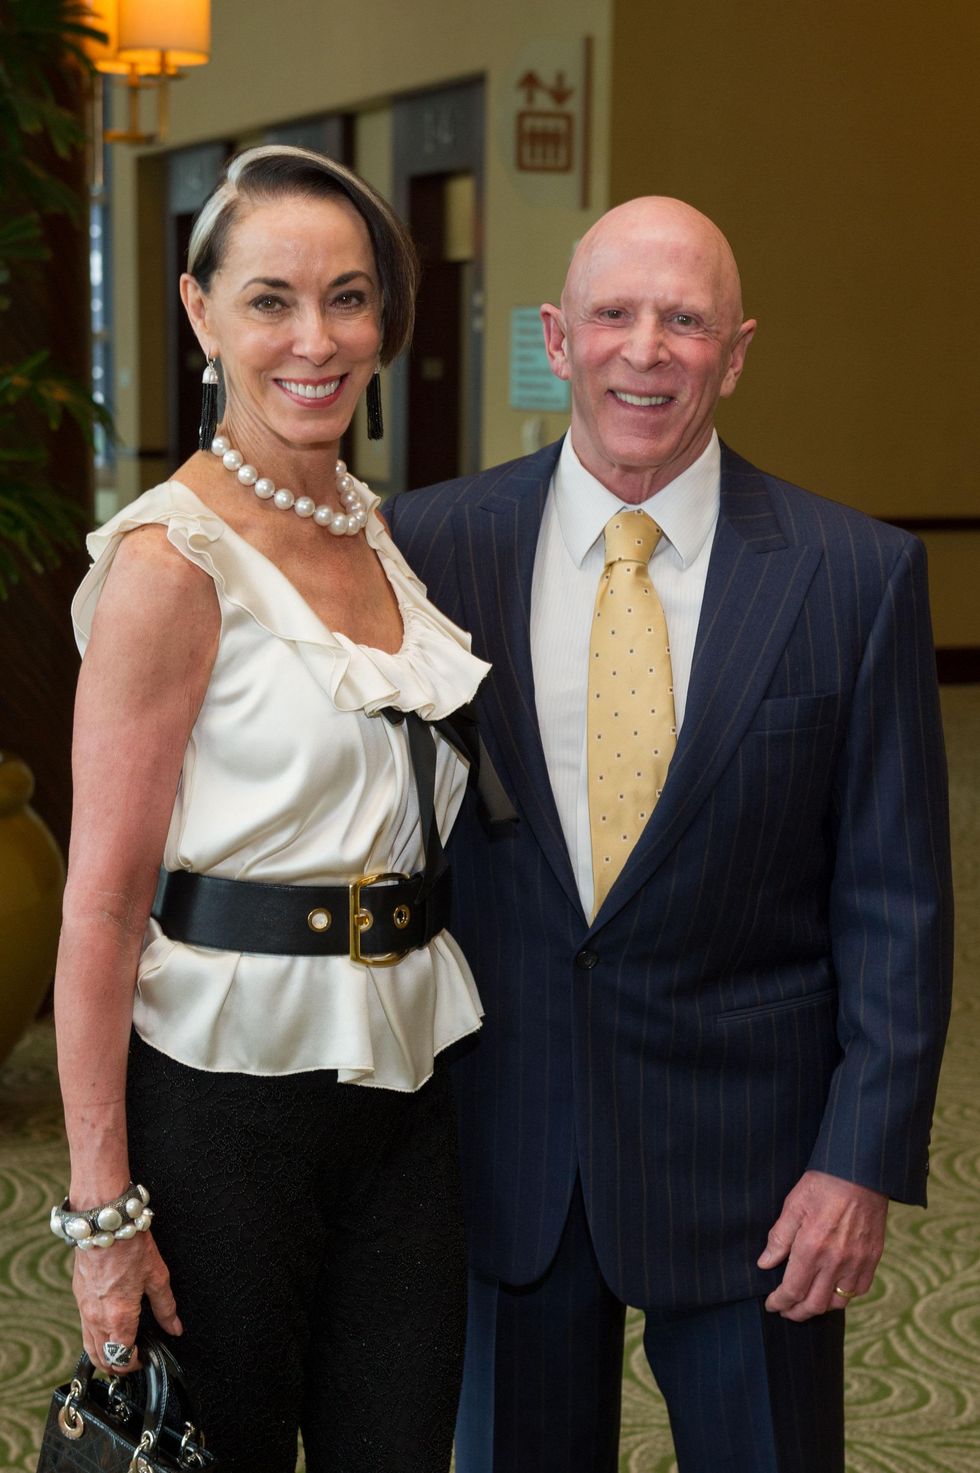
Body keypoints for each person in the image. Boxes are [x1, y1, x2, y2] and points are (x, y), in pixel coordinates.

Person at [386, 196, 953, 1473]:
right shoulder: (428, 548)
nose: (646, 349)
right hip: (505, 1151)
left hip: (756, 1173)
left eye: (684, 321)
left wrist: (855, 1163)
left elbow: (895, 905)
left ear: (735, 352)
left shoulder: (850, 577)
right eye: (613, 315)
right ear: (557, 338)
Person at [51, 144, 490, 1473]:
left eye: (350, 299)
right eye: (271, 299)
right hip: (222, 1100)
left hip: (407, 1084)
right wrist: (104, 1215)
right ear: (199, 310)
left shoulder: (367, 522)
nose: (317, 338)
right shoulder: (168, 562)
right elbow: (100, 911)